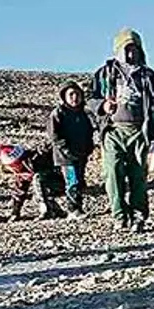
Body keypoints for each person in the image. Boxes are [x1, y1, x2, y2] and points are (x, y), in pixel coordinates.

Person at [88, 28, 154, 232]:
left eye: (135, 49)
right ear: (119, 50)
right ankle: (119, 216)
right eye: (127, 49)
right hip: (113, 131)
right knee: (113, 173)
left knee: (137, 176)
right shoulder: (104, 74)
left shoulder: (150, 77)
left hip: (139, 132)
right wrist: (102, 106)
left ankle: (138, 216)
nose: (131, 54)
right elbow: (91, 99)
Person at [47, 80, 96, 219]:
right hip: (66, 157)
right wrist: (66, 150)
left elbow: (89, 132)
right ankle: (73, 209)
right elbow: (54, 135)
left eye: (77, 94)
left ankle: (77, 206)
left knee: (79, 181)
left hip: (81, 154)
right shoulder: (58, 113)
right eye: (71, 94)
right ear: (64, 97)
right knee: (72, 181)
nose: (74, 97)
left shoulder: (83, 114)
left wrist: (89, 147)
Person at [0, 143, 66, 222]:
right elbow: (20, 191)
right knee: (38, 190)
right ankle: (56, 210)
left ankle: (47, 210)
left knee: (38, 180)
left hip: (63, 182)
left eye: (13, 165)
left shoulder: (38, 158)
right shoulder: (24, 169)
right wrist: (15, 213)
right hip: (56, 184)